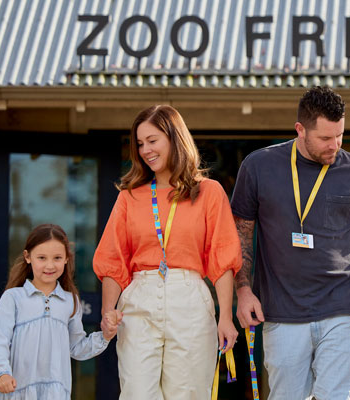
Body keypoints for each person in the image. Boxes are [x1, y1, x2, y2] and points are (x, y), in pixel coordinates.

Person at [231, 86, 350, 399]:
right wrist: (243, 289)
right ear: (300, 130)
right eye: (325, 138)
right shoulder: (258, 166)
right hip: (281, 312)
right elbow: (241, 233)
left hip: (343, 309)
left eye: (340, 135)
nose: (335, 145)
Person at [93, 105, 241, 399]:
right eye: (140, 143)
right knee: (137, 393)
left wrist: (226, 316)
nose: (145, 149)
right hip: (139, 299)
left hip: (190, 299)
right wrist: (108, 311)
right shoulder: (129, 196)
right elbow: (113, 258)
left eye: (153, 140)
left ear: (174, 139)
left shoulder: (209, 192)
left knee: (187, 393)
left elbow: (222, 258)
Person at [0, 224, 118, 399]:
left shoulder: (70, 301)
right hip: (17, 392)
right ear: (28, 257)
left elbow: (77, 347)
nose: (50, 265)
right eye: (41, 257)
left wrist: (105, 336)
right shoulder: (13, 298)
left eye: (57, 258)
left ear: (66, 259)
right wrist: (2, 373)